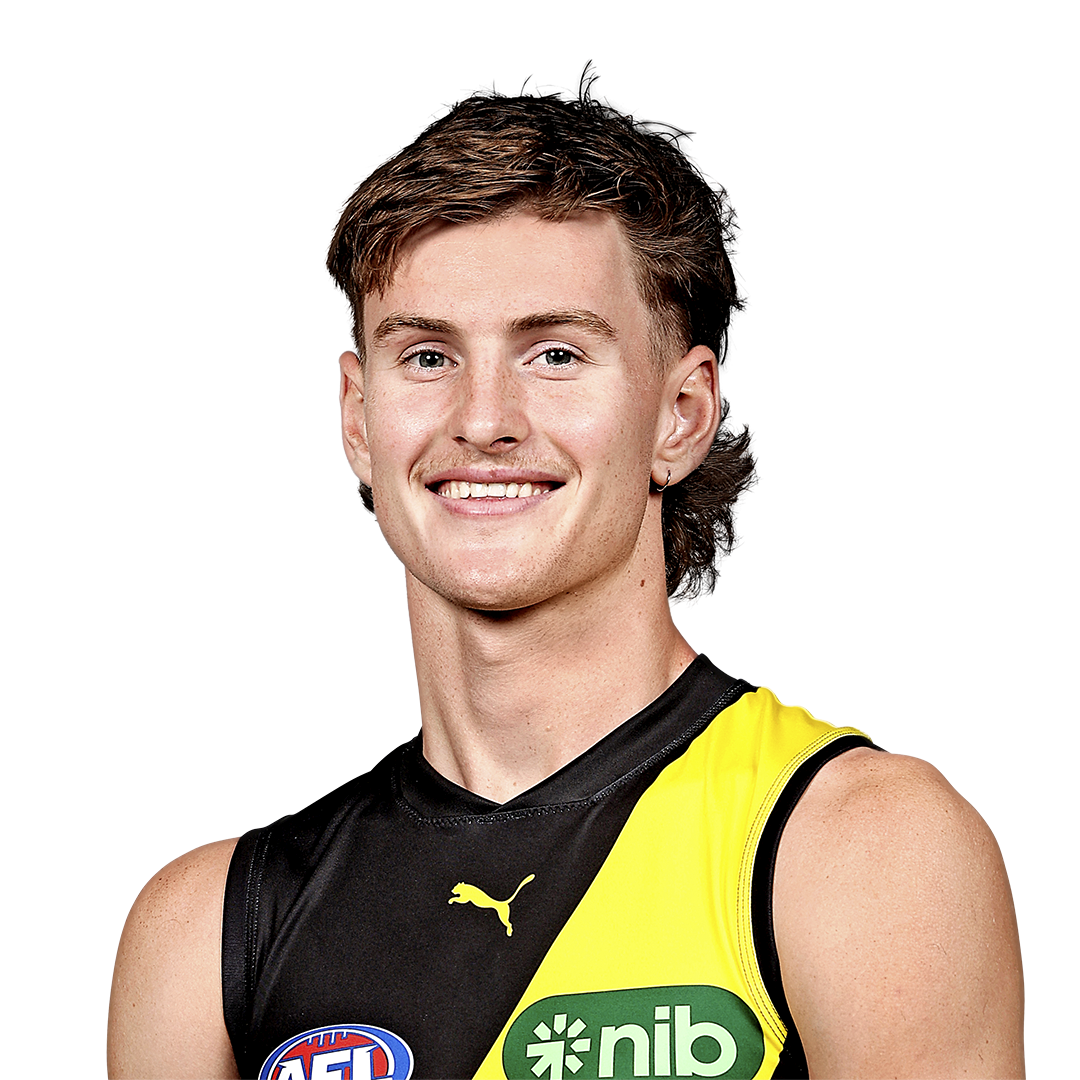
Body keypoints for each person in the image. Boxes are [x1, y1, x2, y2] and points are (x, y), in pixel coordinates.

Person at [107, 75, 1023, 1080]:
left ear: (681, 415)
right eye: (427, 357)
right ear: (358, 419)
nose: (483, 420)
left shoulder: (861, 851)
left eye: (553, 353)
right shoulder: (205, 933)